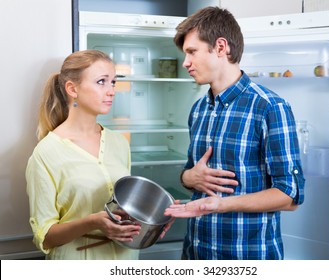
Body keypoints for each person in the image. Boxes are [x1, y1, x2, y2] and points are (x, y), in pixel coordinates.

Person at [164, 6, 305, 260]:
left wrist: (221, 204)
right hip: (195, 253)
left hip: (246, 257)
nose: (185, 62)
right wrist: (188, 177)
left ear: (220, 47)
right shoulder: (198, 109)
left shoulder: (269, 107)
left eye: (192, 52)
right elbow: (190, 175)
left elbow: (290, 195)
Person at [26, 50, 143, 260]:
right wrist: (92, 222)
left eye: (113, 82)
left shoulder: (119, 143)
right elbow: (44, 237)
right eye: (101, 82)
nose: (111, 91)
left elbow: (124, 204)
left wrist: (149, 218)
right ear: (72, 89)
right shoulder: (46, 154)